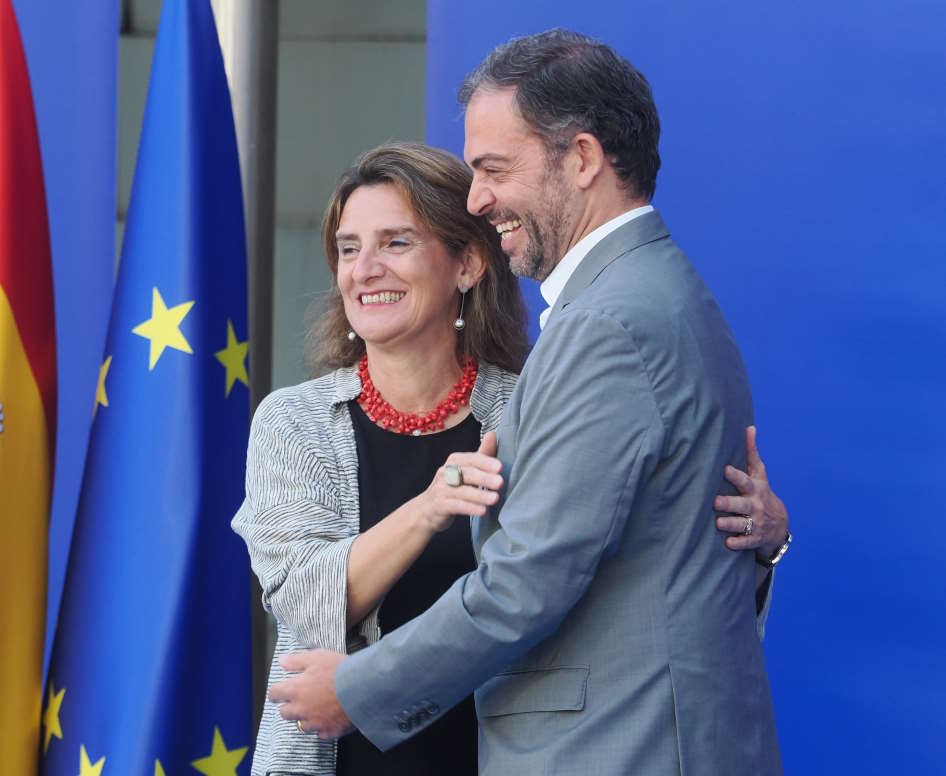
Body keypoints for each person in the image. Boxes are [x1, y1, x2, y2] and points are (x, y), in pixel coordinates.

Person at [268, 31, 789, 774]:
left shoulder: (607, 325)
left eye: (494, 169)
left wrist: (355, 691)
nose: (480, 198)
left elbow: (527, 581)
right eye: (348, 248)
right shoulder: (647, 298)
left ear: (580, 159)